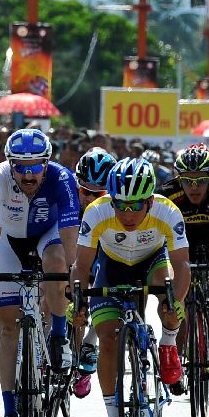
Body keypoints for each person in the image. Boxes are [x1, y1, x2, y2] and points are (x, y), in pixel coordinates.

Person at [71, 158, 189, 417]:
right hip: (112, 267)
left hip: (152, 262)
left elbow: (182, 265)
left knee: (168, 294)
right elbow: (81, 265)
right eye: (120, 205)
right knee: (107, 339)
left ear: (150, 201)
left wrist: (175, 302)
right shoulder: (97, 211)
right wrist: (78, 301)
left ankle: (168, 344)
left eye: (136, 205)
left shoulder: (167, 211)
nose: (127, 213)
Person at [0, 128, 80, 417]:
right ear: (10, 164)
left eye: (35, 167)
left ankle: (58, 335)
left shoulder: (62, 178)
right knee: (8, 328)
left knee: (58, 263)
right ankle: (9, 412)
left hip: (49, 237)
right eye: (20, 167)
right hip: (8, 242)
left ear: (47, 163)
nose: (28, 174)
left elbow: (71, 239)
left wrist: (67, 281)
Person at [156, 144, 209, 365]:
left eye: (200, 181)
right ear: (178, 179)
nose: (194, 187)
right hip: (183, 243)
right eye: (187, 181)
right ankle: (178, 356)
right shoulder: (167, 193)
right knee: (177, 297)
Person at [71, 147, 118, 398]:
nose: (89, 198)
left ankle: (89, 342)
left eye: (97, 193)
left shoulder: (115, 206)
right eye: (84, 191)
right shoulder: (68, 197)